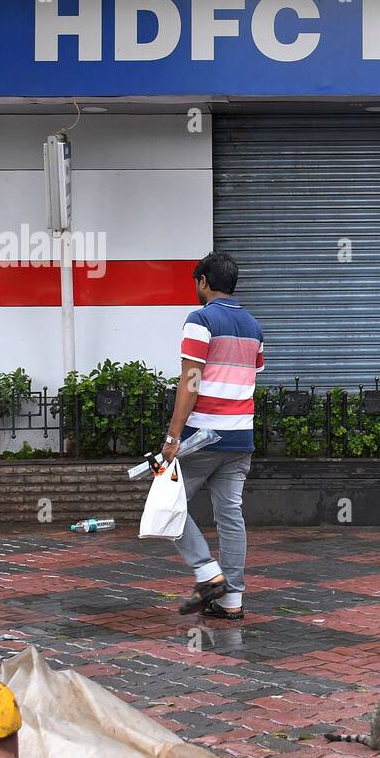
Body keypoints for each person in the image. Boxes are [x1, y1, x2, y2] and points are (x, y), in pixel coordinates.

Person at [162, 251, 265, 621]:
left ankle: (207, 575)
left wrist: (173, 435)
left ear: (203, 281)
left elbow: (191, 380)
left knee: (167, 505)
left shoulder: (200, 319)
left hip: (203, 436)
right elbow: (253, 372)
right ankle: (232, 601)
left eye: (196, 282)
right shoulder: (254, 326)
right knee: (230, 515)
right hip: (240, 438)